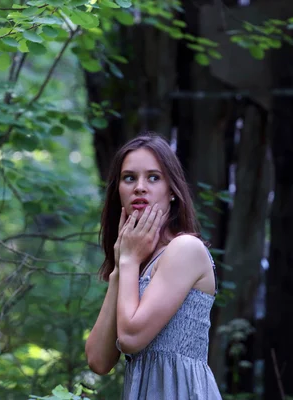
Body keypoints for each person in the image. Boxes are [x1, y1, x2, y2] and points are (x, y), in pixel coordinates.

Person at [85, 133, 222, 399]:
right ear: (118, 191)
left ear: (172, 191)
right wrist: (120, 270)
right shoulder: (134, 262)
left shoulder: (185, 250)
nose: (139, 187)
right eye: (129, 178)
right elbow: (98, 361)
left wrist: (129, 260)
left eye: (153, 177)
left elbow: (130, 339)